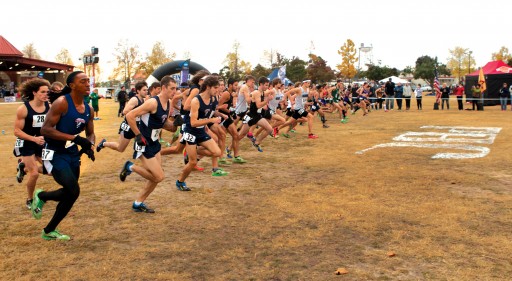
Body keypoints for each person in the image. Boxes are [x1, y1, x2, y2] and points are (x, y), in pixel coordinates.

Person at [31, 71, 96, 240]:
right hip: (54, 153)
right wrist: (75, 138)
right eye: (83, 81)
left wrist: (90, 145)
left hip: (73, 154)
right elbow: (45, 130)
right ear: (72, 86)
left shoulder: (89, 109)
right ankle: (41, 196)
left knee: (70, 193)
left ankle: (48, 230)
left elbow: (90, 133)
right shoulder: (62, 103)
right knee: (73, 190)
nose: (87, 84)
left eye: (88, 81)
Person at [119, 76, 176, 212]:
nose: (175, 91)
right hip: (144, 143)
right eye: (172, 88)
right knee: (159, 176)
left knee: (155, 178)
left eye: (176, 88)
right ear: (163, 88)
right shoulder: (152, 103)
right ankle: (130, 167)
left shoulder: (168, 103)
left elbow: (164, 124)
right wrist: (138, 135)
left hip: (154, 143)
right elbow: (129, 116)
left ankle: (138, 203)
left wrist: (174, 125)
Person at [176, 75, 223, 191]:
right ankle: (180, 182)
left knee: (217, 152)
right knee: (192, 162)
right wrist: (211, 121)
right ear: (208, 87)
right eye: (216, 87)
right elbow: (193, 123)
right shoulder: (196, 100)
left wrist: (213, 120)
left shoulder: (213, 99)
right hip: (191, 131)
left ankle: (193, 150)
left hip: (201, 131)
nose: (218, 90)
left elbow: (206, 115)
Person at [13, 78, 51, 209]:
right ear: (34, 92)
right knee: (34, 173)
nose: (46, 94)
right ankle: (29, 199)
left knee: (50, 171)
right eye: (43, 92)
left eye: (48, 92)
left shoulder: (49, 107)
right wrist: (34, 138)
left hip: (41, 143)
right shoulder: (23, 109)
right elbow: (17, 131)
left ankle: (23, 168)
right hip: (27, 143)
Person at [97, 81, 148, 153]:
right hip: (128, 127)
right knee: (120, 148)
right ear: (138, 91)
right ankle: (104, 143)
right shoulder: (134, 100)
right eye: (144, 90)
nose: (146, 92)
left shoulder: (143, 99)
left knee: (142, 146)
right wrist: (135, 114)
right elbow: (125, 111)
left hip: (136, 127)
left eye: (147, 90)